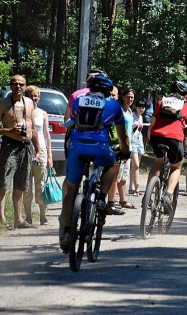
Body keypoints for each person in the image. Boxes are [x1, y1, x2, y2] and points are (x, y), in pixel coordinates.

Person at [60, 75, 130, 252]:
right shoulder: (113, 105)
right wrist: (126, 150)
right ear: (108, 91)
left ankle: (67, 232)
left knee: (71, 190)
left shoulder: (79, 102)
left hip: (76, 147)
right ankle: (100, 198)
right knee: (111, 162)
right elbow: (122, 134)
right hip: (99, 147)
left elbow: (71, 124)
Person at [0, 75, 41, 229]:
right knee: (4, 182)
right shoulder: (3, 104)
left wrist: (37, 150)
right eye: (14, 84)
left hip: (26, 146)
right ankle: (2, 219)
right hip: (9, 146)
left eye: (21, 84)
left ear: (25, 87)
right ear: (10, 86)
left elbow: (33, 129)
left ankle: (18, 219)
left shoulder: (30, 103)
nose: (18, 86)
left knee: (21, 184)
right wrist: (9, 130)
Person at [147, 81, 187, 213]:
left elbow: (152, 125)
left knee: (158, 161)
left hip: (156, 137)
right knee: (176, 167)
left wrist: (151, 140)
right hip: (174, 139)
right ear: (184, 95)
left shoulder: (161, 102)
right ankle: (168, 195)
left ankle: (148, 196)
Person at [23, 85, 53, 225]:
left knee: (41, 185)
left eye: (35, 96)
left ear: (39, 98)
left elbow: (47, 135)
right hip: (26, 149)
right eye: (30, 96)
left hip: (41, 149)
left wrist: (49, 156)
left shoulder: (43, 113)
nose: (33, 98)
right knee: (26, 186)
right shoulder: (22, 112)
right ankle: (28, 218)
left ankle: (43, 217)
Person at [115, 88, 136, 209]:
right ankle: (111, 200)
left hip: (129, 145)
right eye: (128, 96)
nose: (130, 99)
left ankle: (123, 200)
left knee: (124, 174)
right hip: (120, 146)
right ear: (122, 97)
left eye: (132, 97)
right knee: (116, 174)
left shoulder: (130, 112)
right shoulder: (120, 111)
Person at [129, 100, 145, 196]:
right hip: (132, 141)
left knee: (135, 166)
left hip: (140, 140)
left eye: (143, 107)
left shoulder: (141, 117)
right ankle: (137, 188)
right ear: (136, 107)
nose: (141, 109)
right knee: (136, 165)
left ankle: (131, 187)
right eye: (139, 107)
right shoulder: (132, 116)